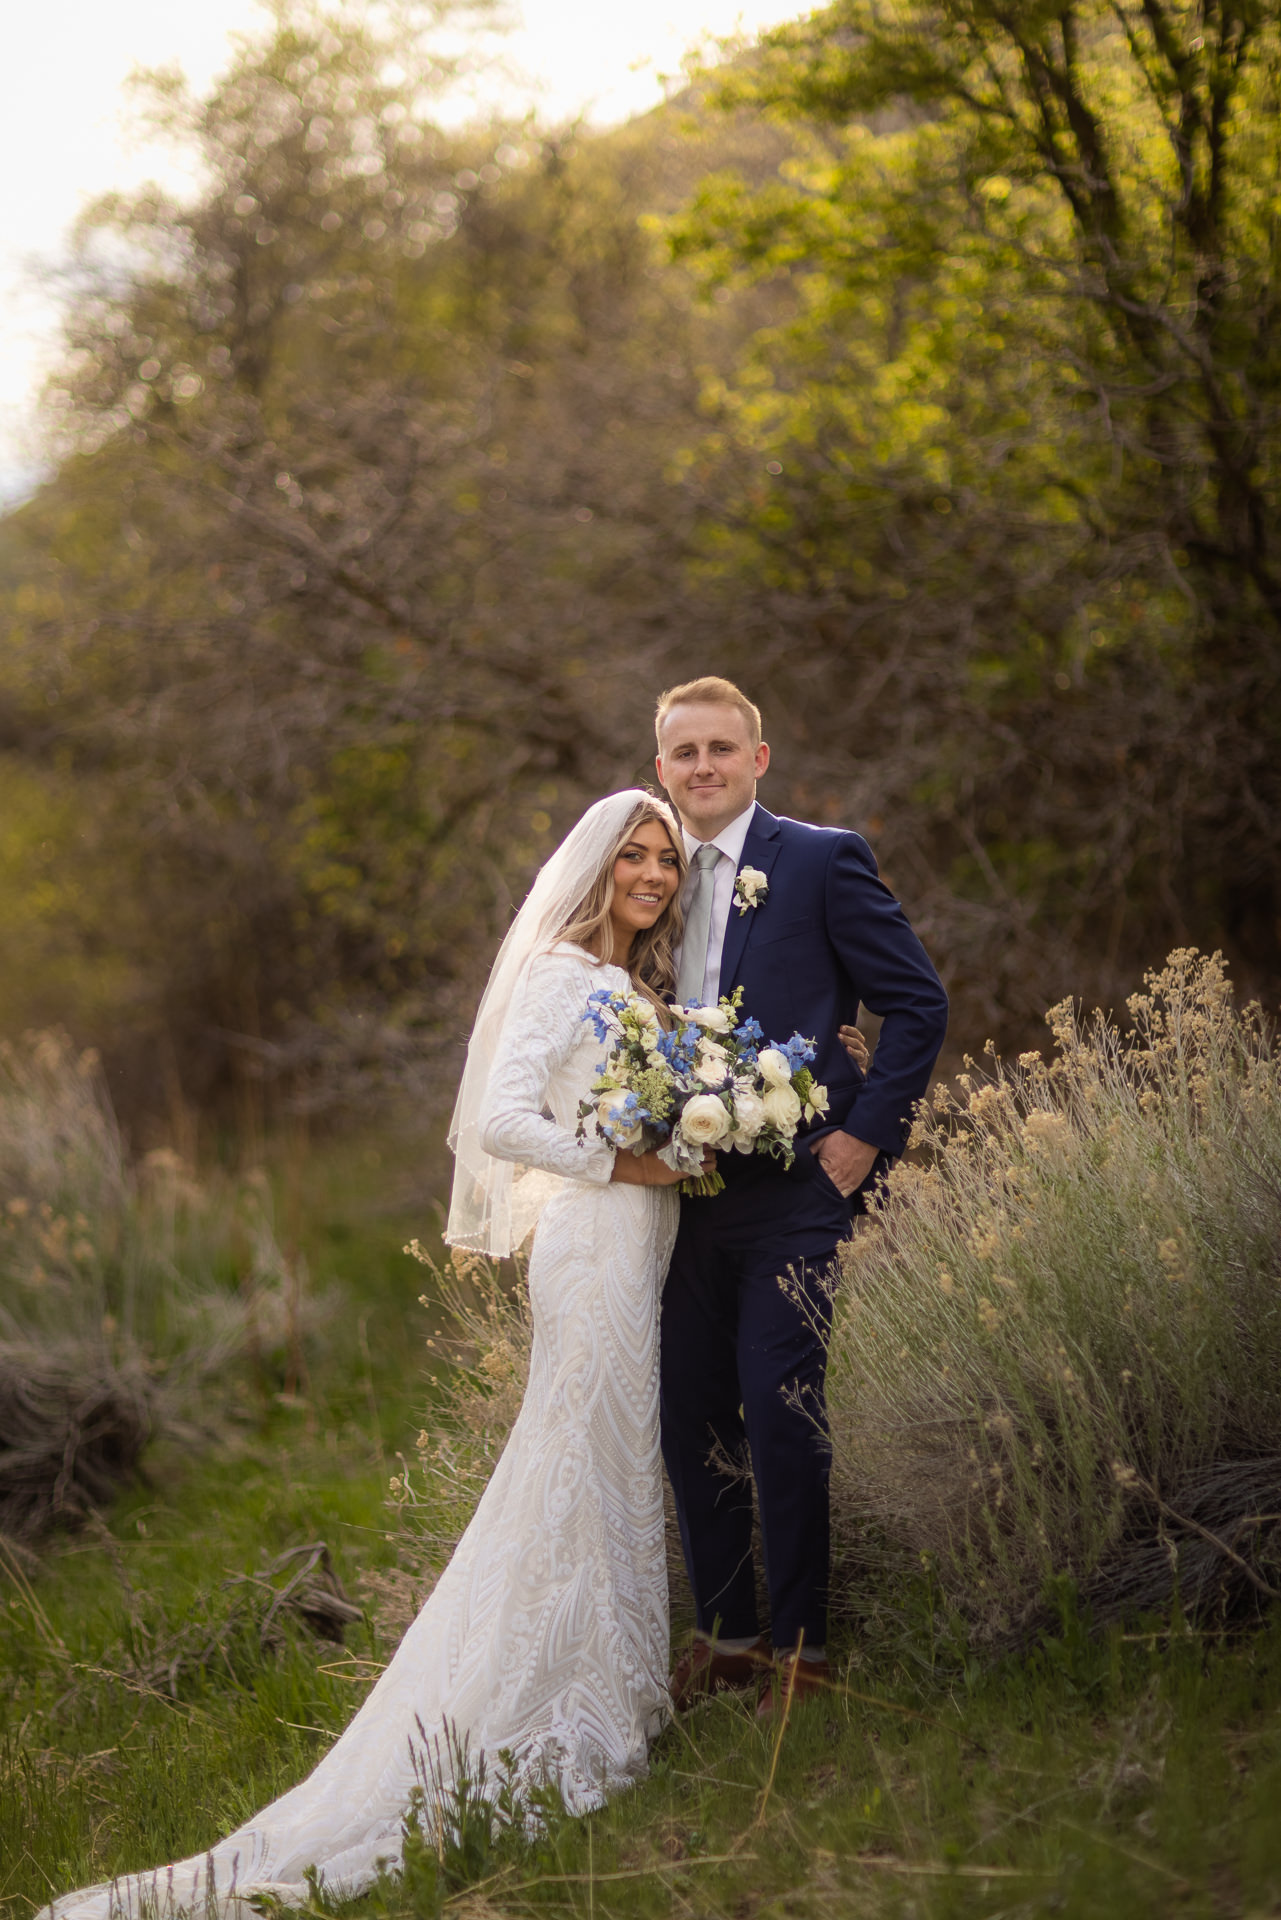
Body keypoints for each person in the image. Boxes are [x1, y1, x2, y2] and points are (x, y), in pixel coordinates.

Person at [44, 791, 697, 1920]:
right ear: (593, 869)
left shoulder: (633, 983)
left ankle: (619, 1686)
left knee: (613, 1462)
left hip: (638, 1246)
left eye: (665, 860)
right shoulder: (555, 971)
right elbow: (500, 1121)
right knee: (572, 1464)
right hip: (593, 1244)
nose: (651, 874)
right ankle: (550, 1709)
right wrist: (622, 1166)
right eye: (633, 856)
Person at [655, 676, 948, 1715]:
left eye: (721, 749)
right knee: (690, 1417)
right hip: (676, 1201)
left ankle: (805, 1657)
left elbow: (917, 1003)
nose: (704, 767)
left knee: (782, 1414)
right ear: (660, 769)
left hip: (794, 1194)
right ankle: (729, 1641)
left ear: (758, 759)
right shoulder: (646, 878)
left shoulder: (820, 861)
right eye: (684, 751)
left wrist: (867, 1135)